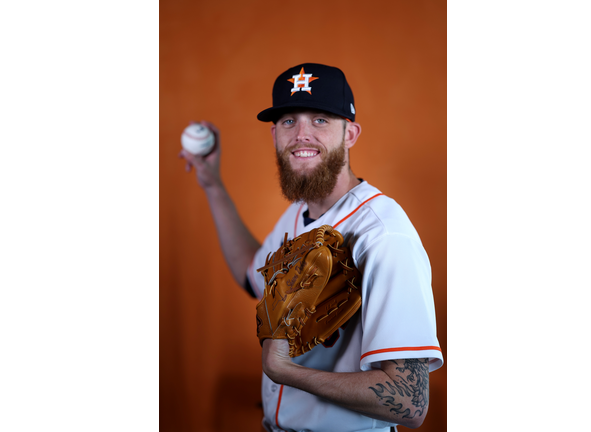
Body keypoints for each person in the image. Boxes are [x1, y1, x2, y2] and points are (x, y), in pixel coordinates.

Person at [180, 63, 443, 432]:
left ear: (349, 134)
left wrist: (285, 371)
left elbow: (410, 401)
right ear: (274, 135)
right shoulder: (299, 213)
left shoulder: (383, 234)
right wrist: (211, 184)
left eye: (320, 119)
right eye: (289, 121)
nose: (302, 134)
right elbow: (249, 274)